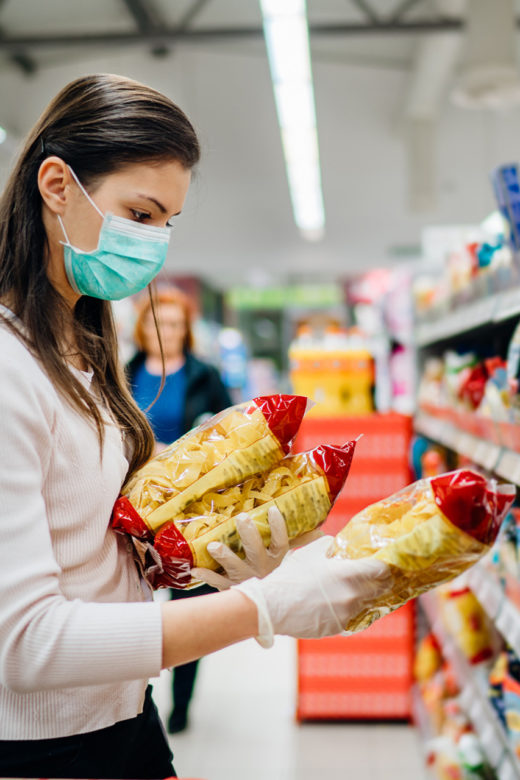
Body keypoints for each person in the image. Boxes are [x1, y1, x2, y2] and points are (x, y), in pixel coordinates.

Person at [0, 72, 391, 780]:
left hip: (122, 721)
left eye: (167, 224)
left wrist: (189, 557)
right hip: (44, 750)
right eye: (140, 215)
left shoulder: (79, 350)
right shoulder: (7, 370)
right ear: (56, 186)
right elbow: (27, 645)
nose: (154, 247)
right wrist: (263, 608)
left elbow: (82, 551)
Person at [127, 286, 232, 734]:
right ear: (142, 328)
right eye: (157, 322)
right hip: (134, 506)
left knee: (189, 602)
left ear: (185, 331)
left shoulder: (205, 376)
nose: (165, 331)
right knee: (133, 602)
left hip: (191, 509)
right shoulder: (122, 372)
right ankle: (136, 695)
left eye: (173, 324)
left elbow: (231, 434)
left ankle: (181, 704)